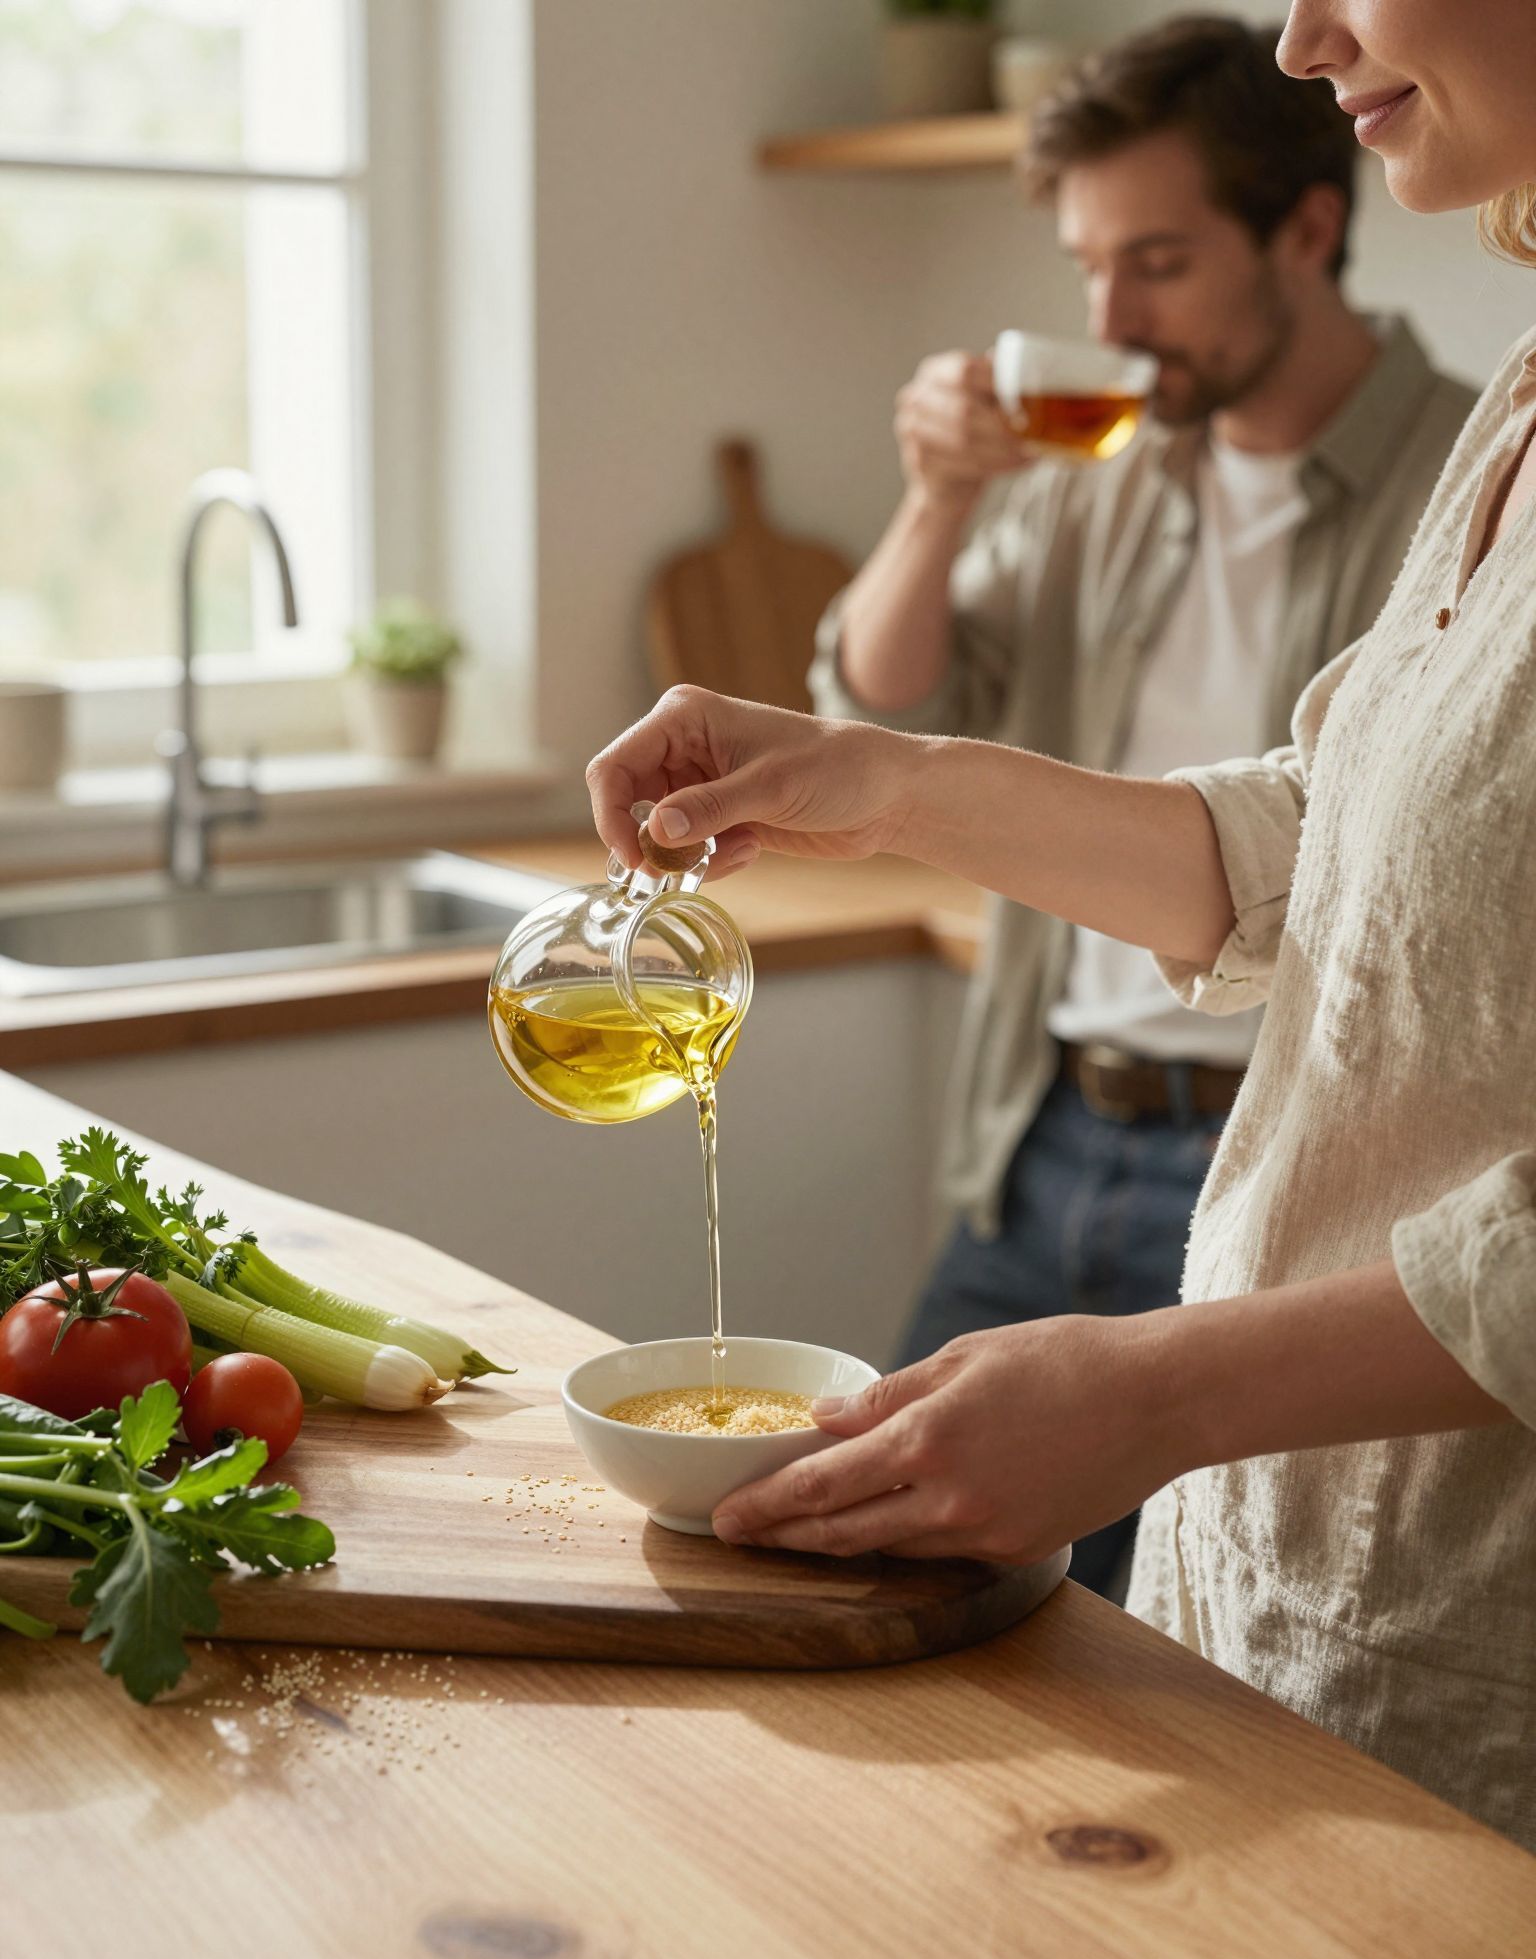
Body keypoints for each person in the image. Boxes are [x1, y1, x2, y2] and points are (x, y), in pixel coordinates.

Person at [586, 0, 1536, 1848]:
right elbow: (1335, 839)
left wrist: (1156, 1391)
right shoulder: (1523, 391)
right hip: (1294, 1608)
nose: (1301, 37)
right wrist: (885, 782)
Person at [807, 14, 1474, 1602]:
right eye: (1091, 267)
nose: (1110, 320)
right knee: (863, 1585)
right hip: (1044, 1139)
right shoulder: (1093, 477)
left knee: (1186, 1667)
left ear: (1305, 228)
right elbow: (877, 713)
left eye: (1158, 263)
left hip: (1289, 1185)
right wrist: (935, 502)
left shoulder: (1473, 474)